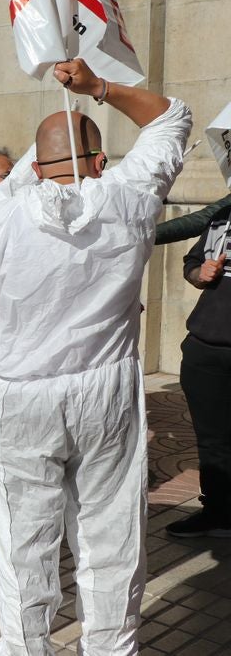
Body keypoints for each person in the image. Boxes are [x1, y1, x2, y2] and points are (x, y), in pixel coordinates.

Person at [0, 58, 191, 655]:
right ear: (102, 162)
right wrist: (97, 88)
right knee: (110, 535)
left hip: (22, 394)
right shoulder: (129, 198)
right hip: (107, 390)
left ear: (33, 166)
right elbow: (171, 117)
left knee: (25, 543)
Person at [159, 201, 231, 538]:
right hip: (205, 347)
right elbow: (192, 262)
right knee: (212, 440)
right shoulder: (222, 214)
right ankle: (218, 512)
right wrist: (199, 275)